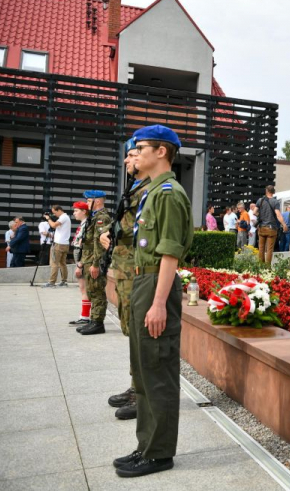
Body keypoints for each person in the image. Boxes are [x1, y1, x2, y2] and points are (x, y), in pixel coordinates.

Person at [113, 124, 193, 478]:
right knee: (145, 372)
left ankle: (159, 453)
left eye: (141, 146)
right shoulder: (151, 191)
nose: (136, 152)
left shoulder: (168, 194)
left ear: (162, 151)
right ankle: (146, 445)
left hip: (157, 285)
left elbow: (170, 255)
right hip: (144, 281)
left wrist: (159, 303)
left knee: (158, 371)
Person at [101, 137, 151, 421]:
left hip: (135, 270)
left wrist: (116, 234)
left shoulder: (151, 190)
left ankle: (141, 392)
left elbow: (140, 231)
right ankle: (136, 386)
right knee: (130, 330)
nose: (127, 161)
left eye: (132, 155)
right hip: (123, 268)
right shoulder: (134, 188)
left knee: (138, 334)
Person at [76, 191, 111, 336]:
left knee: (97, 292)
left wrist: (96, 264)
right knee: (91, 291)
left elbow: (100, 243)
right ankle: (93, 320)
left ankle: (98, 323)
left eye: (89, 200)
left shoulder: (102, 218)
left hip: (95, 261)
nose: (86, 203)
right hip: (88, 260)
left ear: (97, 201)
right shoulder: (94, 217)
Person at [69, 201, 92, 327]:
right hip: (80, 257)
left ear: (84, 211)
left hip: (83, 258)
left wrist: (80, 264)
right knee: (83, 288)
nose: (74, 213)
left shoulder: (87, 224)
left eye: (76, 210)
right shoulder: (84, 224)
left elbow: (86, 247)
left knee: (84, 289)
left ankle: (85, 316)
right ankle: (84, 316)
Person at [256, 185, 288, 265]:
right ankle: (267, 267)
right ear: (273, 192)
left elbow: (254, 212)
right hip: (271, 228)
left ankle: (261, 266)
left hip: (261, 227)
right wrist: (284, 224)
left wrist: (260, 216)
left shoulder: (260, 200)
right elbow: (278, 214)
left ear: (266, 191)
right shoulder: (275, 202)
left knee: (261, 248)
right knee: (269, 249)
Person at [43, 205, 72, 287]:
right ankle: (64, 281)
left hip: (59, 244)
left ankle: (52, 282)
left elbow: (53, 225)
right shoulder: (66, 217)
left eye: (54, 213)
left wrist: (48, 218)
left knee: (54, 263)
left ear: (59, 210)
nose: (54, 215)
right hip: (65, 244)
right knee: (62, 263)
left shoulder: (63, 217)